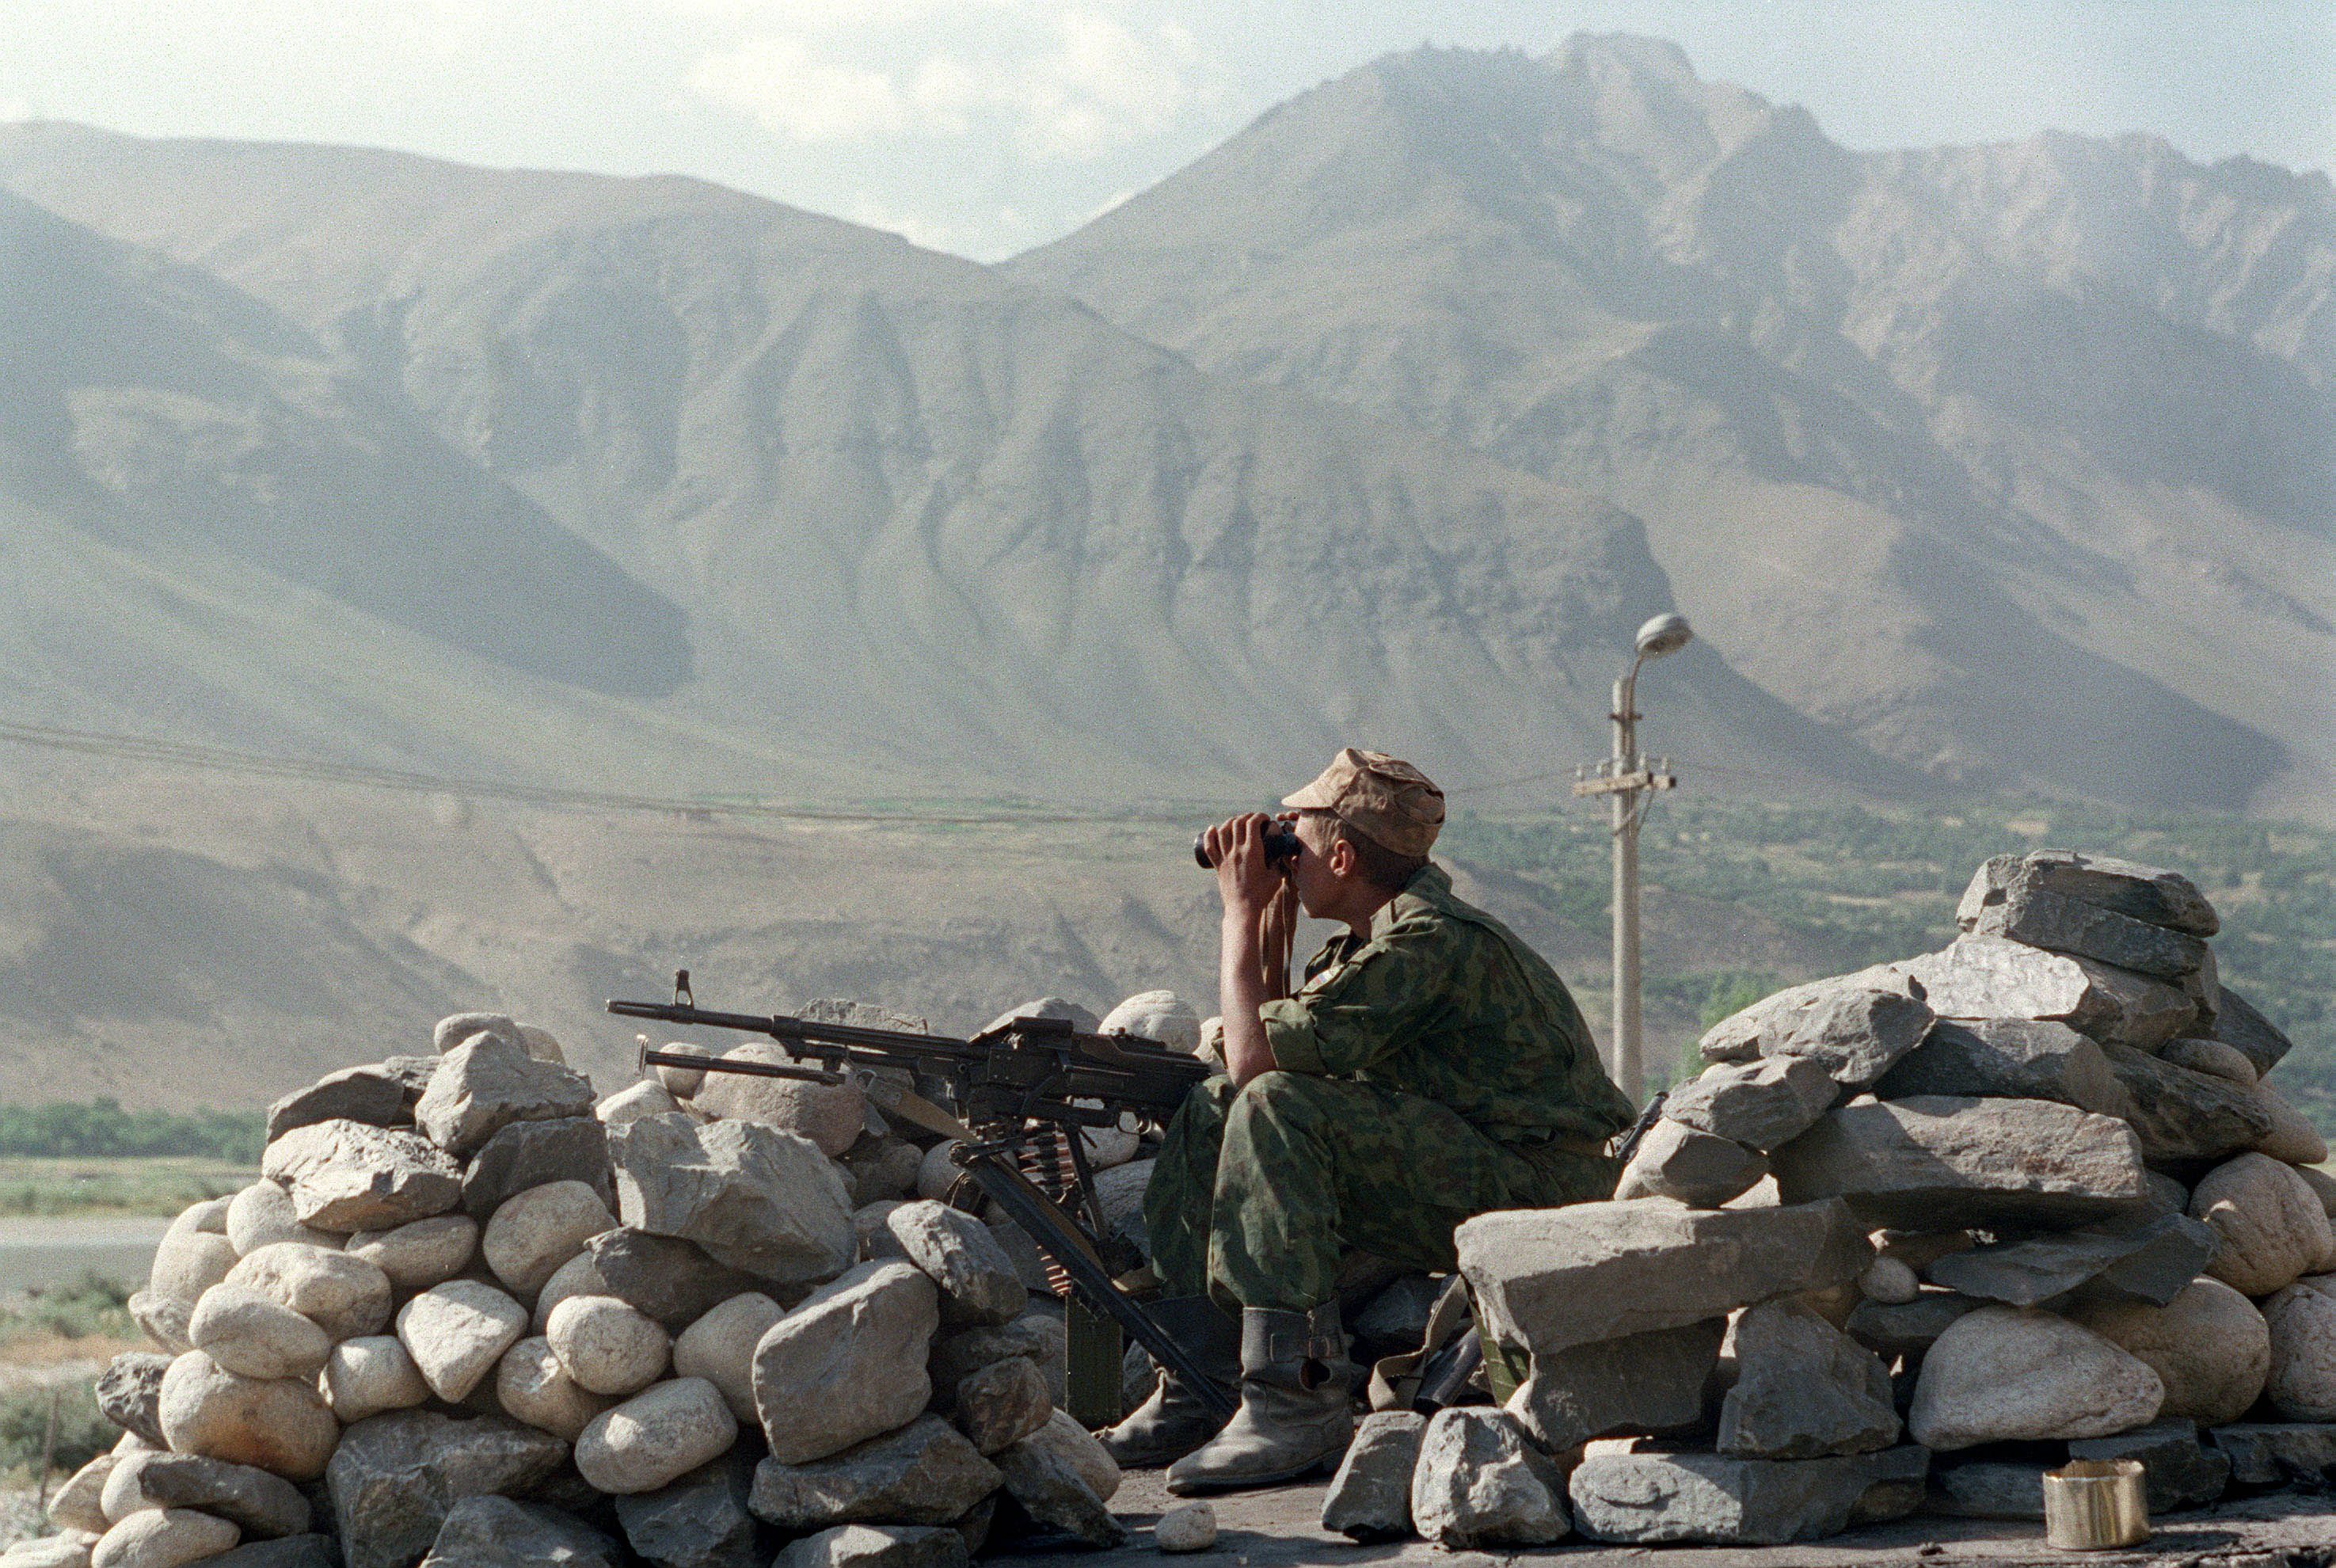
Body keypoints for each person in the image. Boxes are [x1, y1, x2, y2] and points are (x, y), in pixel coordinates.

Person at [1101, 748, 1637, 1494]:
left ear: (1344, 856)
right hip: (1478, 1159)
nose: (1282, 855)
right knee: (1214, 1106)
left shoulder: (1432, 941)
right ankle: (1203, 1384)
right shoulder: (1378, 940)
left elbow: (1264, 1071)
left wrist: (1239, 911)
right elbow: (1264, 1049)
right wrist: (1270, 929)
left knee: (1269, 1105)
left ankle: (1295, 1405)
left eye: (1296, 841)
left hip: (1543, 1181)